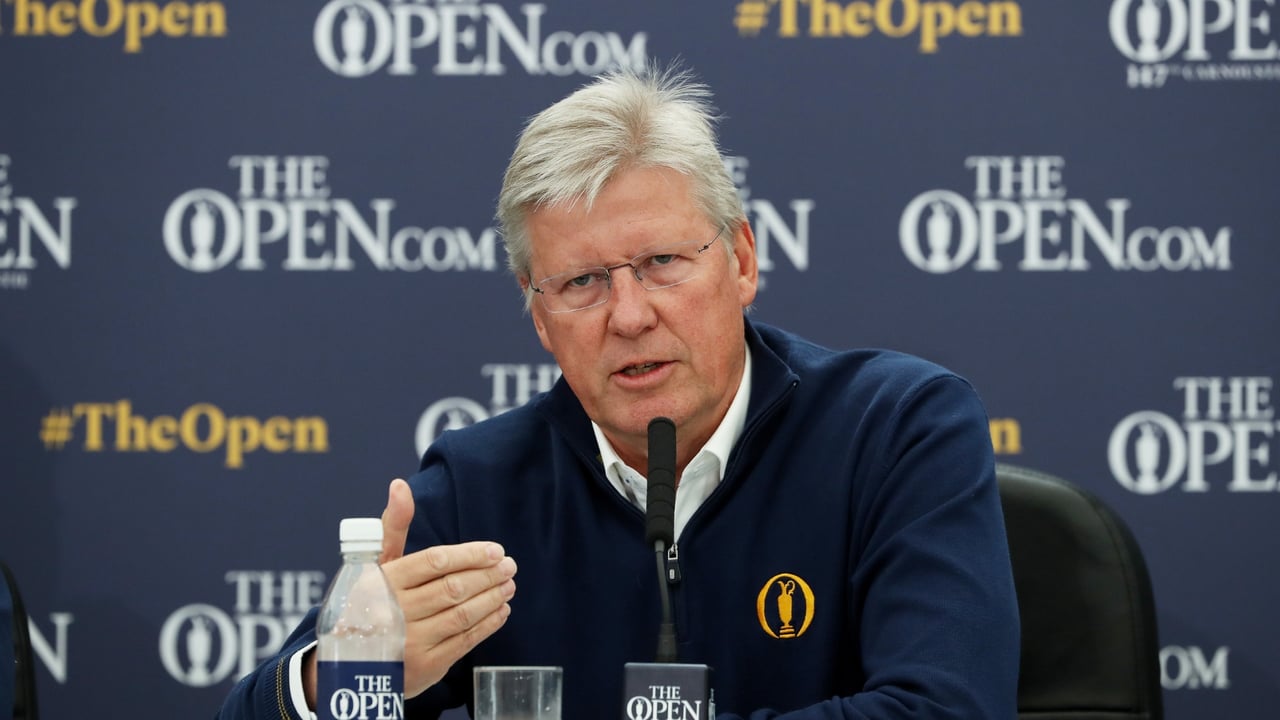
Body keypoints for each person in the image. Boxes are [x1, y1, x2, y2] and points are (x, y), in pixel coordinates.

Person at [217, 64, 1019, 720]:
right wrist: (342, 677)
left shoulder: (897, 429)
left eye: (664, 262)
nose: (629, 315)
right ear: (538, 316)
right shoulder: (484, 486)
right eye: (582, 282)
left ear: (741, 262)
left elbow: (946, 710)